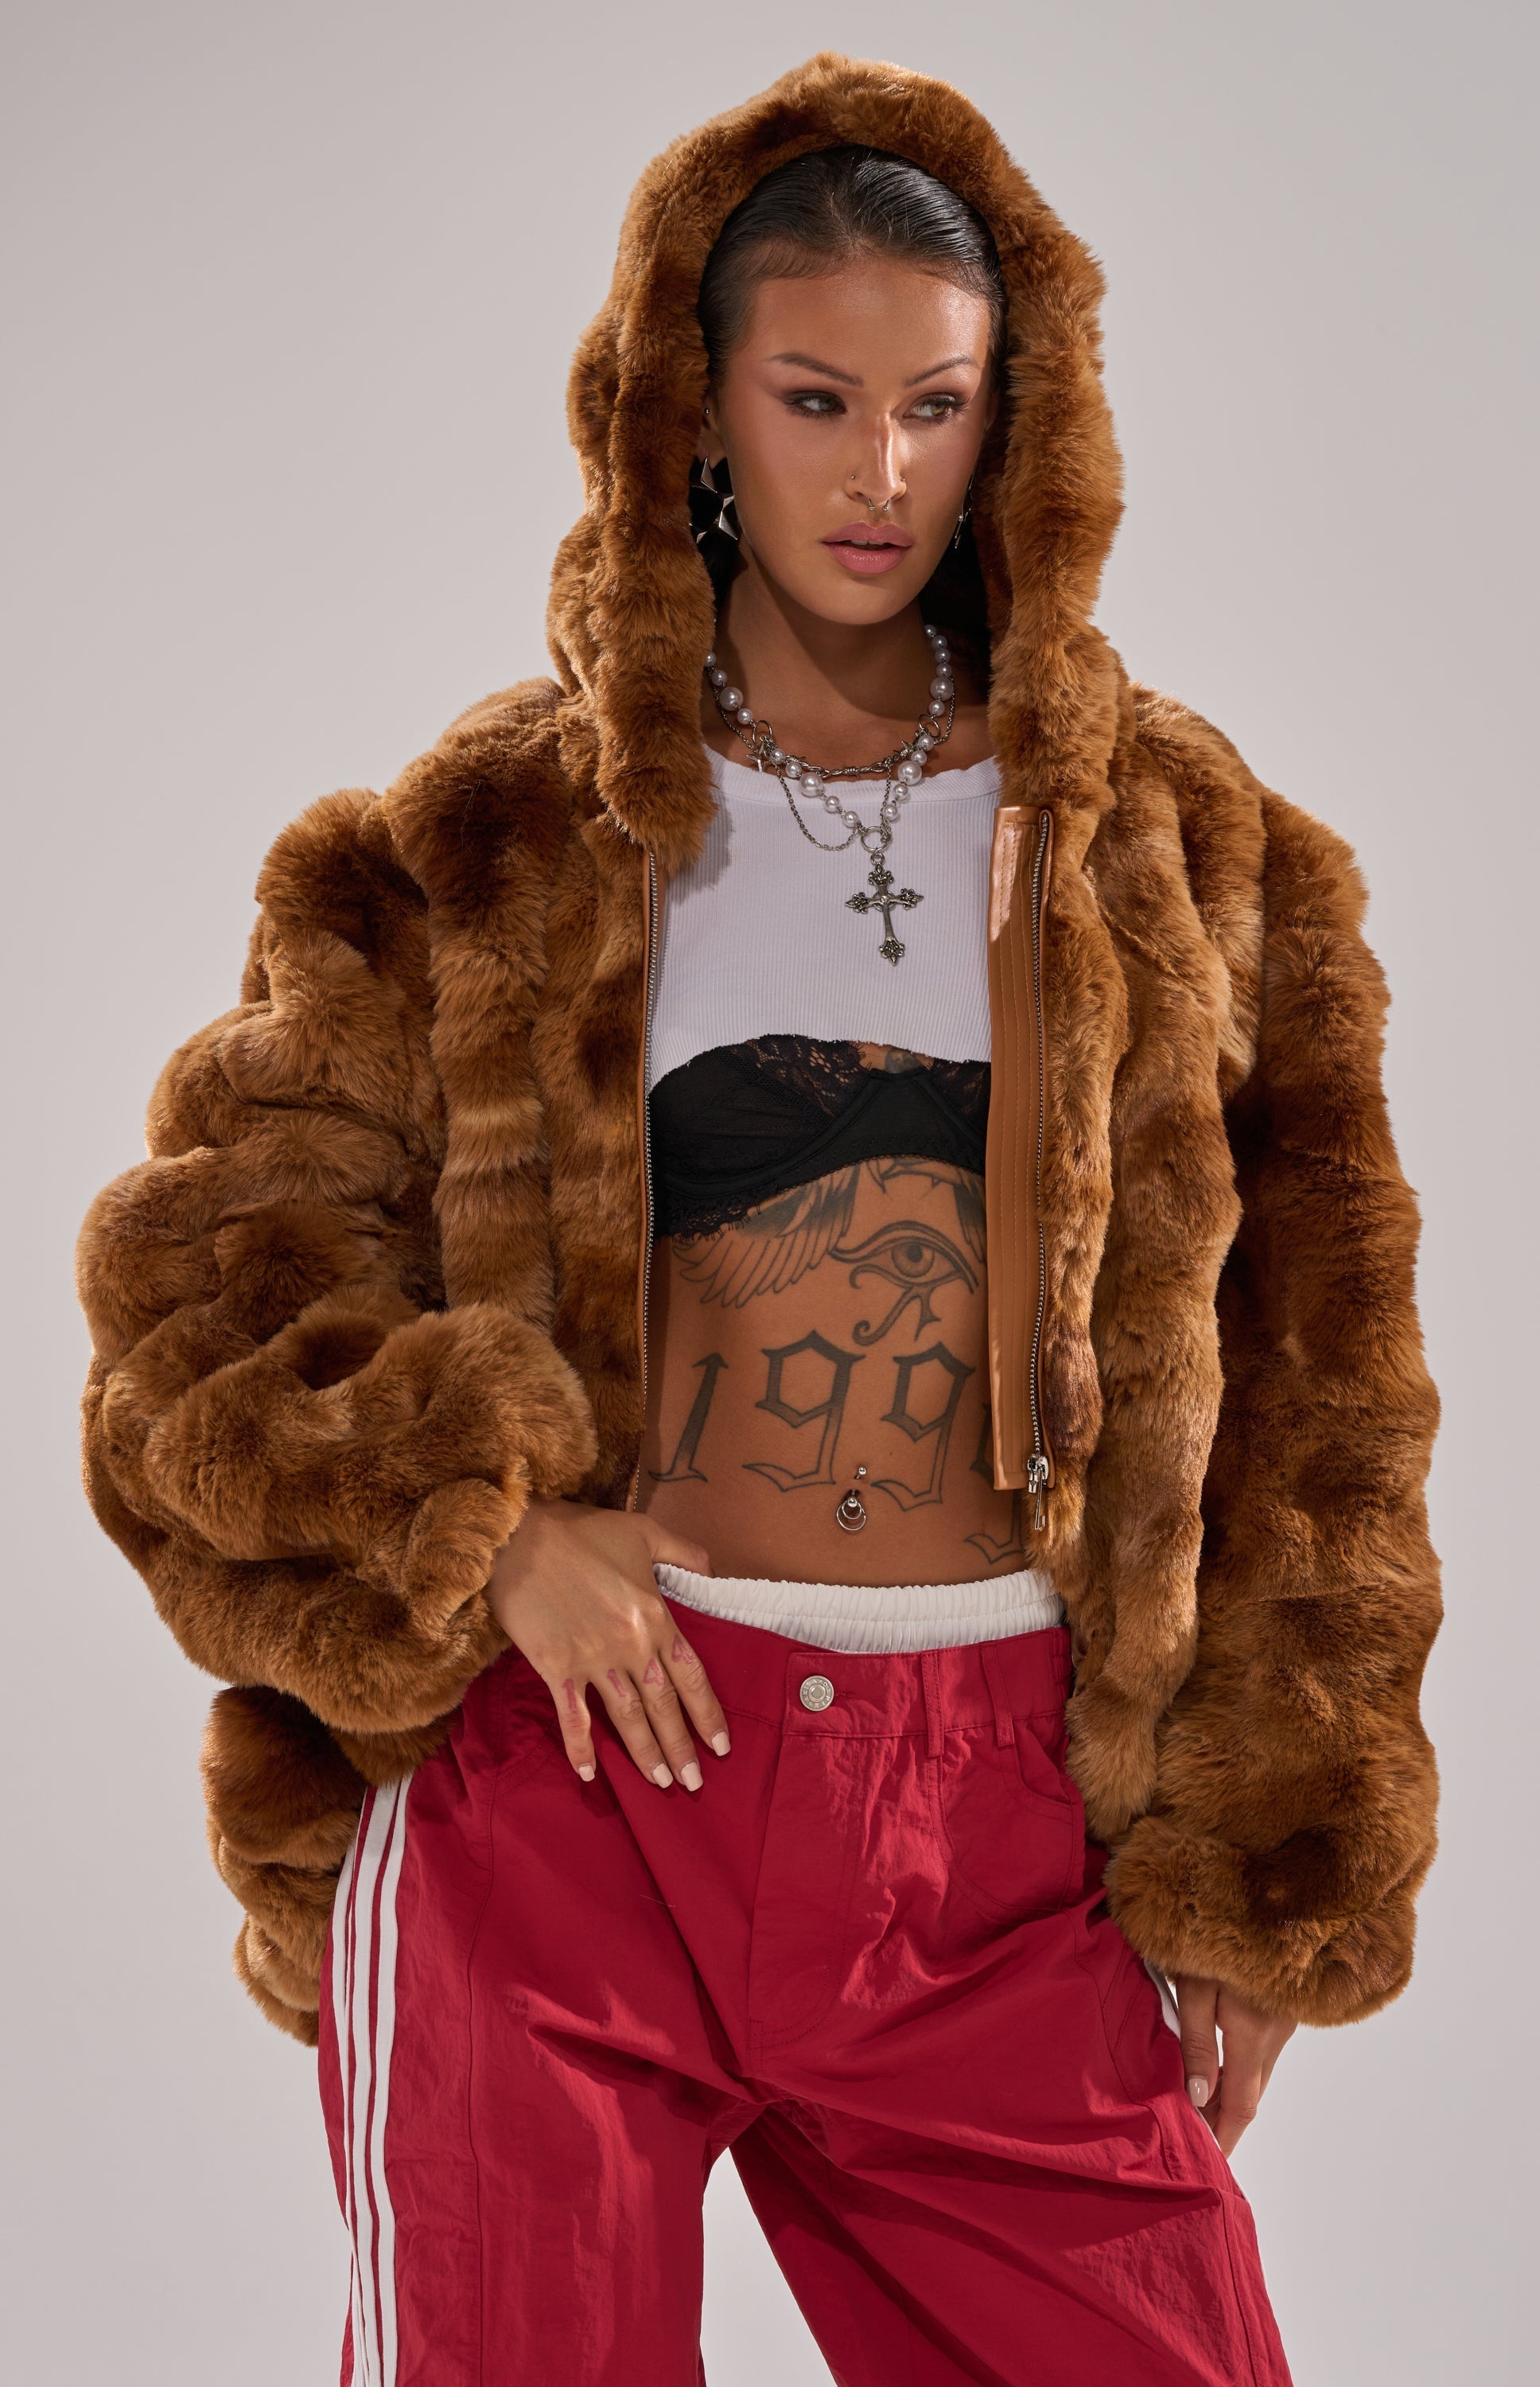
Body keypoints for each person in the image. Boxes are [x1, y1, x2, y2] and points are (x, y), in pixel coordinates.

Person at [76, 52, 1441, 2387]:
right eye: (817, 401)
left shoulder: (1191, 855)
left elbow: (1330, 1391)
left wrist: (1281, 1849)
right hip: (570, 1793)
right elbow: (196, 1306)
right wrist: (491, 1529)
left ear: (1019, 421)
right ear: (694, 410)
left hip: (995, 1827)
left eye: (938, 406)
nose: (881, 473)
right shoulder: (482, 845)